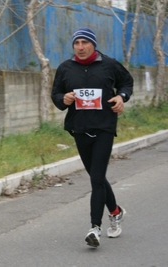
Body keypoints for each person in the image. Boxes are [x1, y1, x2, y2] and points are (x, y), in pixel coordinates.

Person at [51, 27, 133, 248]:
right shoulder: (66, 68)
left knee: (96, 179)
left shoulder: (109, 64)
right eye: (76, 43)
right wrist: (64, 98)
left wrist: (121, 96)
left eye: (84, 43)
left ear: (93, 45)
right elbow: (56, 95)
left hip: (104, 127)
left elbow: (126, 82)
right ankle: (115, 212)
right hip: (79, 128)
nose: (80, 47)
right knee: (98, 177)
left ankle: (94, 228)